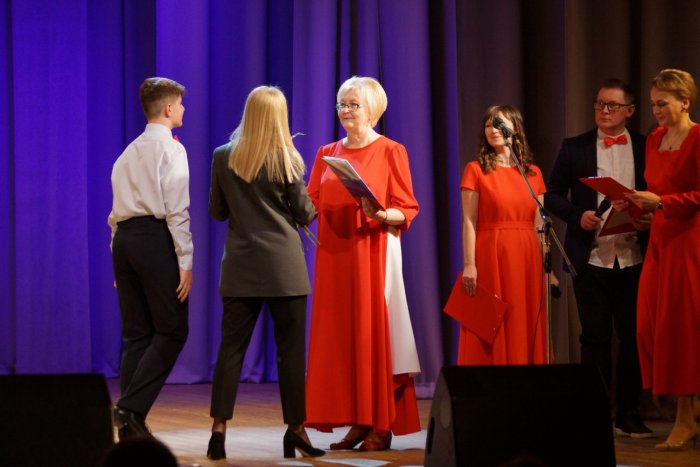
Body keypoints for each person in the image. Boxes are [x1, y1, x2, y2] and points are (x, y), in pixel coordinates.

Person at [206, 86, 324, 460]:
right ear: (279, 117)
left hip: (240, 266)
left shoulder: (222, 156)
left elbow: (217, 212)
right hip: (283, 268)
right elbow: (305, 213)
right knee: (290, 354)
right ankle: (296, 431)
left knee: (230, 351)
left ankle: (218, 432)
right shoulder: (286, 157)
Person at [305, 76, 421, 451]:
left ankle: (379, 422)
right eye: (341, 103)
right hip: (333, 257)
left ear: (372, 109)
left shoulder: (391, 151)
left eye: (353, 104)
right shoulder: (326, 152)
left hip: (372, 252)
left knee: (371, 335)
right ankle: (358, 417)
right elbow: (309, 203)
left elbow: (407, 208)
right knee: (341, 338)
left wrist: (382, 213)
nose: (345, 110)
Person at [545, 79, 653, 438]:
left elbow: (661, 193)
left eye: (612, 105)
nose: (604, 111)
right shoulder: (574, 147)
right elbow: (551, 195)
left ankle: (629, 413)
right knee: (594, 338)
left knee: (632, 338)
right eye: (600, 104)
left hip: (635, 256)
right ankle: (594, 414)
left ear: (629, 111)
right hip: (590, 258)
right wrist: (578, 216)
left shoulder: (646, 146)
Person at [108, 77, 193, 440]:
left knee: (137, 334)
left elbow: (115, 215)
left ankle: (130, 426)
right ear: (169, 108)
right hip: (154, 239)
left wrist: (119, 258)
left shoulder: (127, 152)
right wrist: (186, 261)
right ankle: (130, 408)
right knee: (172, 330)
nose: (184, 109)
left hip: (125, 241)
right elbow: (177, 210)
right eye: (181, 104)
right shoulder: (171, 150)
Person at [624, 68, 700, 451]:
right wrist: (638, 208)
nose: (656, 111)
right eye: (653, 104)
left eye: (663, 103)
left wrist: (662, 203)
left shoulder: (698, 137)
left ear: (685, 102)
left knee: (682, 327)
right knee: (649, 325)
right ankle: (686, 409)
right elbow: (655, 190)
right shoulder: (654, 139)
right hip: (660, 237)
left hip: (690, 240)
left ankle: (685, 418)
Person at [459, 105, 550, 365]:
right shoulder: (476, 170)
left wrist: (547, 268)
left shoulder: (533, 173)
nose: (493, 130)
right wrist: (469, 265)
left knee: (524, 319)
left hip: (526, 258)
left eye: (499, 124)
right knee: (491, 324)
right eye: (488, 125)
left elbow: (540, 225)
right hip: (491, 255)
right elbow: (469, 221)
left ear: (515, 129)